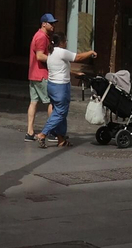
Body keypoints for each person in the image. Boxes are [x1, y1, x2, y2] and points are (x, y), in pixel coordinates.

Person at [39, 31, 96, 148]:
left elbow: (61, 68)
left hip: (52, 85)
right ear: (61, 42)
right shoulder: (61, 52)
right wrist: (90, 52)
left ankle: (61, 139)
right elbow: (78, 57)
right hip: (61, 87)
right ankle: (43, 134)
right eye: (65, 41)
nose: (66, 43)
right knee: (60, 113)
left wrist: (75, 73)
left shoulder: (51, 52)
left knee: (61, 113)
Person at [26, 13, 55, 142]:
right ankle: (51, 131)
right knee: (51, 102)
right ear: (44, 24)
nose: (53, 25)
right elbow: (40, 56)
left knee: (34, 102)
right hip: (41, 74)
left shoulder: (39, 35)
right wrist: (54, 60)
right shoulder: (42, 37)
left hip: (33, 74)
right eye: (51, 23)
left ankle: (30, 132)